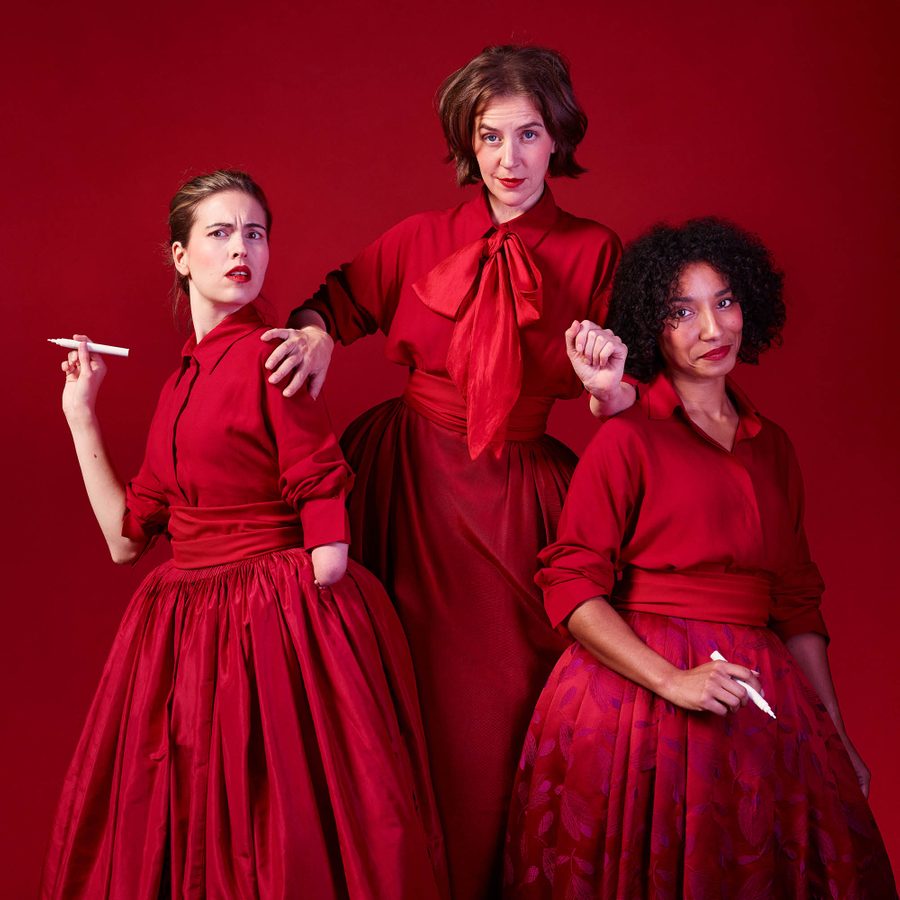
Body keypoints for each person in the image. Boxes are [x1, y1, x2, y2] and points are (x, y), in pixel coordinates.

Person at [260, 46, 634, 897]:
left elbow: (631, 407)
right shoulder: (419, 239)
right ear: (468, 144)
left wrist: (610, 386)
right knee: (403, 709)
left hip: (523, 499)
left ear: (557, 138)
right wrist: (316, 331)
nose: (509, 160)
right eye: (490, 136)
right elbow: (329, 305)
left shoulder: (596, 251)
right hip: (406, 487)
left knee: (512, 714)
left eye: (529, 134)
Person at [42, 170, 448, 900]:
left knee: (281, 833)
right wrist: (81, 412)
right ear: (179, 256)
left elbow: (322, 503)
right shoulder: (177, 386)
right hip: (189, 633)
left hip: (276, 625)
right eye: (220, 234)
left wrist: (305, 601)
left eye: (254, 234)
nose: (241, 250)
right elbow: (126, 538)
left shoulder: (272, 350)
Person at [503, 219, 897, 897]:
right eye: (682, 311)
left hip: (759, 705)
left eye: (724, 302)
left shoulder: (773, 446)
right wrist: (670, 682)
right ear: (650, 326)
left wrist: (836, 734)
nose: (712, 329)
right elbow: (571, 588)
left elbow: (797, 601)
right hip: (634, 708)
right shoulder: (625, 439)